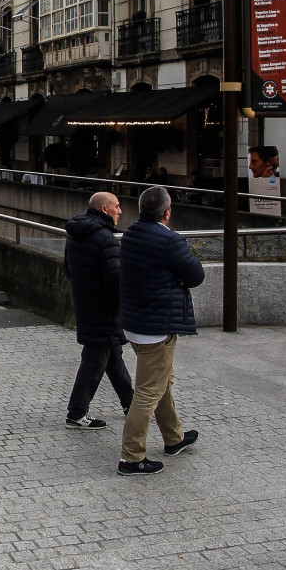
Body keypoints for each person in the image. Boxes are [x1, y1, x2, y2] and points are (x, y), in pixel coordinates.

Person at [118, 185, 205, 476]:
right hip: (158, 327)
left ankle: (174, 438)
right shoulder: (170, 241)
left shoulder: (130, 234)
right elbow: (195, 275)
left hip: (135, 323)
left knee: (161, 383)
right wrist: (177, 278)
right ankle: (131, 458)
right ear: (167, 213)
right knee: (147, 392)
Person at [63, 191, 133, 430]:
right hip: (104, 311)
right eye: (117, 206)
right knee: (94, 361)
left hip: (87, 306)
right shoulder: (105, 239)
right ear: (105, 209)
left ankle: (130, 403)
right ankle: (77, 412)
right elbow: (116, 281)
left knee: (113, 357)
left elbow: (69, 269)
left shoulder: (76, 235)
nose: (120, 211)